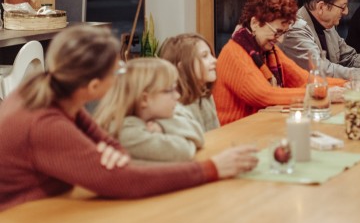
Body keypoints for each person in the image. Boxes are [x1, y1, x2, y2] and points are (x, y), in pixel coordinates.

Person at [0, 26, 258, 212]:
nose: (123, 75)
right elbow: (125, 182)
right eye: (117, 70)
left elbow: (109, 148)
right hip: (19, 218)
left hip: (46, 207)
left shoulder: (49, 86)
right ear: (92, 87)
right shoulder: (46, 123)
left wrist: (111, 154)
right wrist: (212, 168)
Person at [213, 0, 345, 125]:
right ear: (255, 23)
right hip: (233, 135)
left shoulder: (268, 51)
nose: (280, 40)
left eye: (283, 33)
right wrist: (321, 94)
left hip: (257, 127)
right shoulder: (234, 53)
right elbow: (265, 95)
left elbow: (303, 79)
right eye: (277, 32)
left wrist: (350, 85)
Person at [94, 58, 205, 162]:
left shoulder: (159, 114)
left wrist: (162, 126)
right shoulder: (124, 132)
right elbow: (184, 151)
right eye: (170, 90)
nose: (177, 96)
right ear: (144, 99)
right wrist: (189, 138)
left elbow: (199, 133)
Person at [277, 0, 360, 79]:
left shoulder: (326, 24)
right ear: (321, 7)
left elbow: (349, 58)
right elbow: (322, 70)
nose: (346, 12)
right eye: (342, 7)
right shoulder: (295, 30)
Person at [159, 33, 220, 131]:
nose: (214, 60)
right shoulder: (176, 110)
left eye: (211, 55)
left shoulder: (205, 96)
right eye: (204, 56)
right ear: (182, 67)